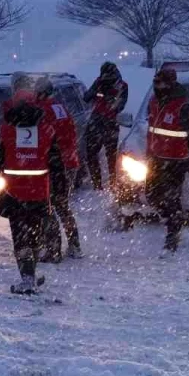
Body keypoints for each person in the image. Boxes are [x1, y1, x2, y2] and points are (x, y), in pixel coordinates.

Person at [0, 73, 58, 294]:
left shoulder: (6, 129)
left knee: (19, 236)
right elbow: (55, 158)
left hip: (14, 191)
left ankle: (27, 278)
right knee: (33, 233)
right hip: (39, 190)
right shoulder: (46, 129)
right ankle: (31, 273)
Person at [145, 65, 189, 254]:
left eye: (160, 83)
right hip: (155, 160)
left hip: (175, 162)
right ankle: (173, 220)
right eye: (155, 82)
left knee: (172, 199)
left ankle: (173, 233)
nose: (156, 86)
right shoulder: (153, 102)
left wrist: (177, 148)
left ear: (169, 84)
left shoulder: (182, 106)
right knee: (151, 195)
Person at [35, 76, 83, 262]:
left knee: (47, 206)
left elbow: (43, 138)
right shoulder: (60, 107)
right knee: (63, 206)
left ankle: (52, 248)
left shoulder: (43, 110)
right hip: (70, 161)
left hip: (54, 164)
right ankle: (74, 244)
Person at [83, 62, 128, 190]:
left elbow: (120, 106)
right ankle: (97, 185)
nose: (107, 78)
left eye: (109, 75)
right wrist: (98, 88)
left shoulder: (122, 86)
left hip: (110, 123)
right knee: (91, 154)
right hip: (96, 121)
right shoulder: (99, 82)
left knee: (111, 156)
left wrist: (110, 98)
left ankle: (113, 183)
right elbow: (86, 97)